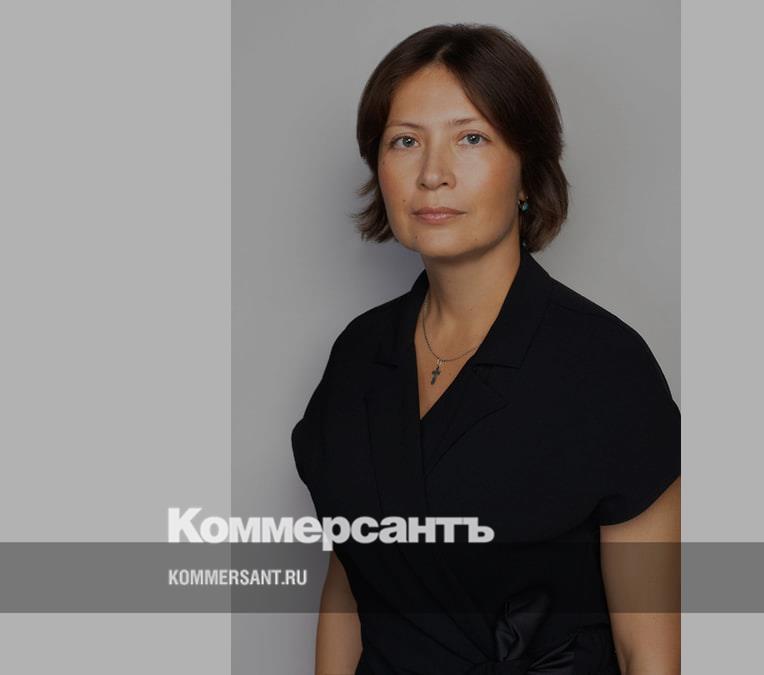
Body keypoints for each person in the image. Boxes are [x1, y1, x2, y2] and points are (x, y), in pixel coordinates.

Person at [292, 23, 681, 675]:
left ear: (527, 170)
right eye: (405, 141)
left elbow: (649, 650)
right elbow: (354, 583)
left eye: (470, 138)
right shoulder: (357, 356)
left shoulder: (608, 368)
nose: (433, 174)